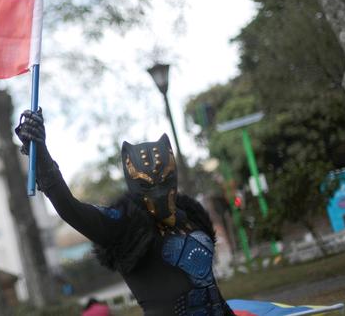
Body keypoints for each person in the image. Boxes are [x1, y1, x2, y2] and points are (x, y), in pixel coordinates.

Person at [15, 109, 234, 316]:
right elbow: (71, 209)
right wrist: (42, 155)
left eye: (164, 180)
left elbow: (210, 291)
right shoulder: (126, 227)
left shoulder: (190, 216)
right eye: (147, 184)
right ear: (133, 183)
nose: (158, 190)